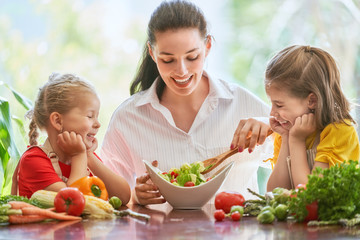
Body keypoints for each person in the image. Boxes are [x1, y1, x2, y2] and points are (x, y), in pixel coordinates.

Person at [101, 0, 273, 205]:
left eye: (192, 57)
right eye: (168, 60)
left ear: (207, 46)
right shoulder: (128, 118)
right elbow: (104, 196)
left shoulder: (243, 104)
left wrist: (275, 125)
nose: (181, 71)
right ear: (152, 53)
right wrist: (135, 196)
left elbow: (301, 161)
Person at [12, 73, 131, 205]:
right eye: (90, 116)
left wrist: (88, 156)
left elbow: (123, 197)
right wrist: (79, 155)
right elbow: (73, 204)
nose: (98, 124)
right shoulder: (33, 160)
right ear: (58, 121)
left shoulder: (85, 157)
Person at [265, 45, 360, 191]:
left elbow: (310, 195)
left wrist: (296, 141)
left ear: (312, 101)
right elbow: (275, 192)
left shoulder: (339, 131)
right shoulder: (288, 130)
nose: (272, 112)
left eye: (279, 105)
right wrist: (286, 139)